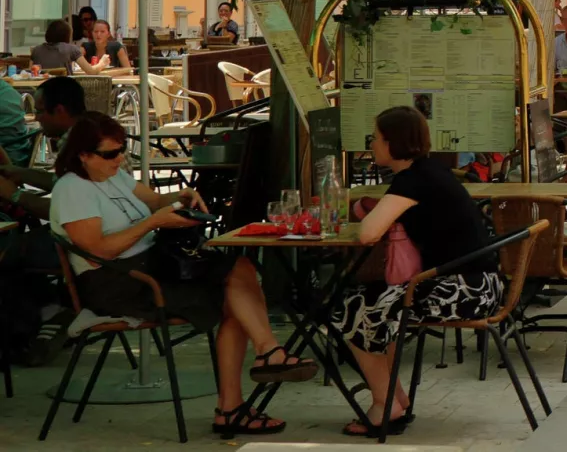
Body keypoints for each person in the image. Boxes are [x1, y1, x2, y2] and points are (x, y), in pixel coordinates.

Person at [52, 112, 315, 434]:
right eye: (110, 154)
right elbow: (99, 251)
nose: (119, 159)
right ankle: (242, 392)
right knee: (236, 296)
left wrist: (181, 197)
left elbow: (154, 201)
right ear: (83, 155)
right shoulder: (72, 189)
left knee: (240, 269)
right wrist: (152, 223)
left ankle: (264, 358)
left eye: (122, 151)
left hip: (152, 265)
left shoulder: (111, 174)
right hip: (117, 282)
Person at [334, 107, 503, 437]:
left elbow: (368, 233)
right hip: (479, 283)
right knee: (371, 302)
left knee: (351, 307)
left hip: (465, 290)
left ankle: (386, 404)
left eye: (375, 138)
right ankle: (395, 399)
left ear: (392, 143)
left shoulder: (412, 180)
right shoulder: (428, 172)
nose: (371, 145)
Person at [0, 75, 86, 217]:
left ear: (59, 111)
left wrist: (15, 195)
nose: (35, 118)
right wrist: (19, 173)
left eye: (39, 111)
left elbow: (65, 213)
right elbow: (61, 181)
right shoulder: (86, 129)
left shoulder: (83, 145)